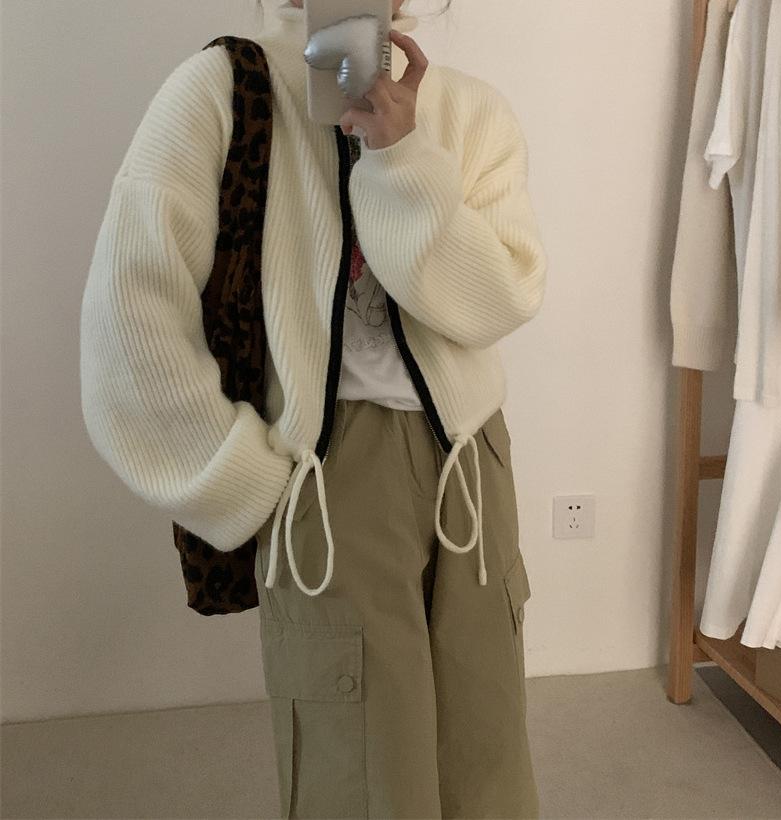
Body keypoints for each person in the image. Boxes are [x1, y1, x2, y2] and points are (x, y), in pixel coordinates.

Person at [80, 0, 548, 816]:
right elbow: (130, 319)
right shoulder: (221, 89)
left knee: (487, 752)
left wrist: (401, 155)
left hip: (472, 461)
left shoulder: (472, 111)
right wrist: (244, 482)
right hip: (326, 477)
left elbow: (495, 301)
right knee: (359, 770)